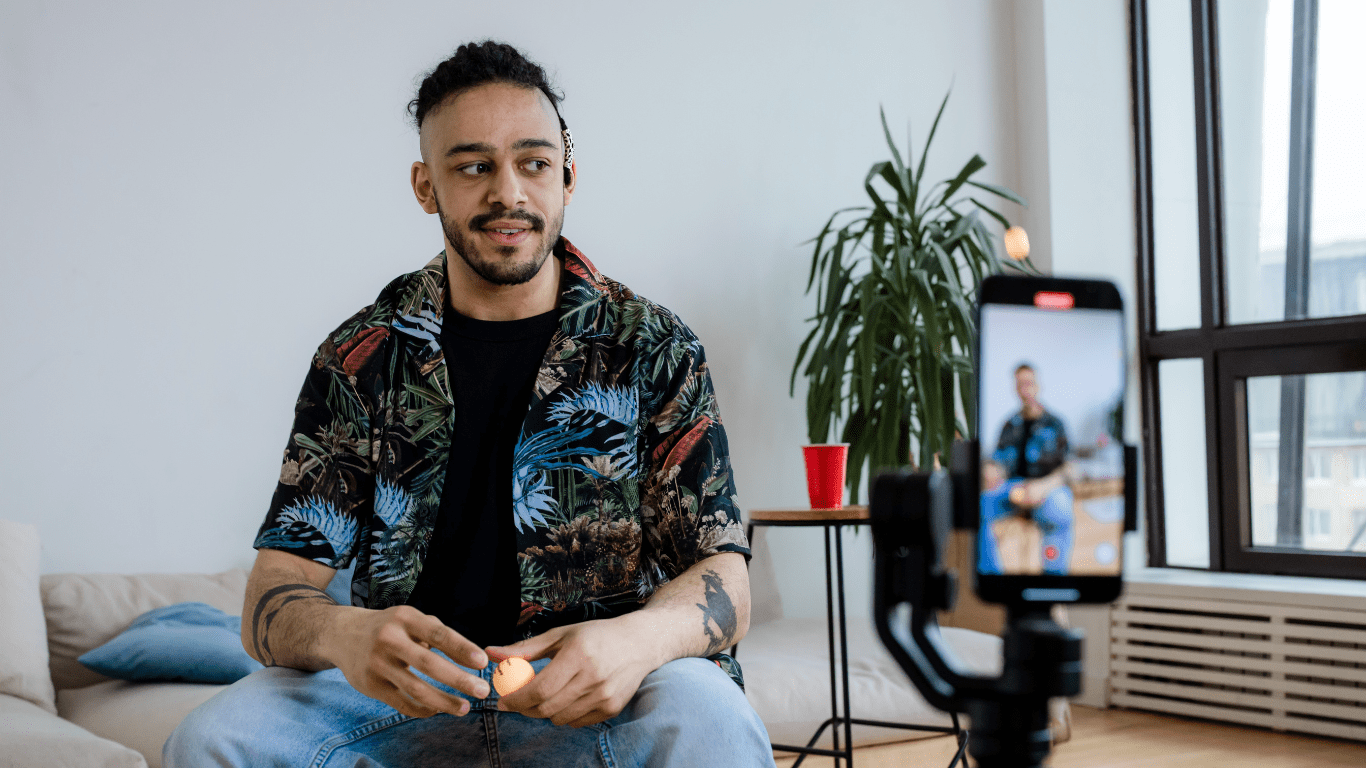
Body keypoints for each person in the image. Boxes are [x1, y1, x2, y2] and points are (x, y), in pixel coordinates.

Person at [164, 41, 775, 767]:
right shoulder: (359, 357)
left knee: (711, 720)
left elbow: (724, 578)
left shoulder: (654, 346)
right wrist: (346, 635)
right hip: (399, 702)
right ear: (426, 186)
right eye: (474, 166)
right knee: (213, 738)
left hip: (603, 697)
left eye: (534, 162)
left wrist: (637, 641)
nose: (508, 193)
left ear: (569, 177)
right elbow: (274, 594)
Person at [978, 364, 1073, 575]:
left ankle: (1053, 584)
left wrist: (1042, 487)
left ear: (1038, 386)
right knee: (978, 506)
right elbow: (997, 462)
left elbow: (1069, 469)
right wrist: (992, 471)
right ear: (1015, 388)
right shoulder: (1008, 425)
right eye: (1020, 384)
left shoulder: (1056, 424)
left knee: (1059, 508)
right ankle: (992, 579)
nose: (1025, 389)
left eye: (1029, 383)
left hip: (1047, 488)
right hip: (1012, 489)